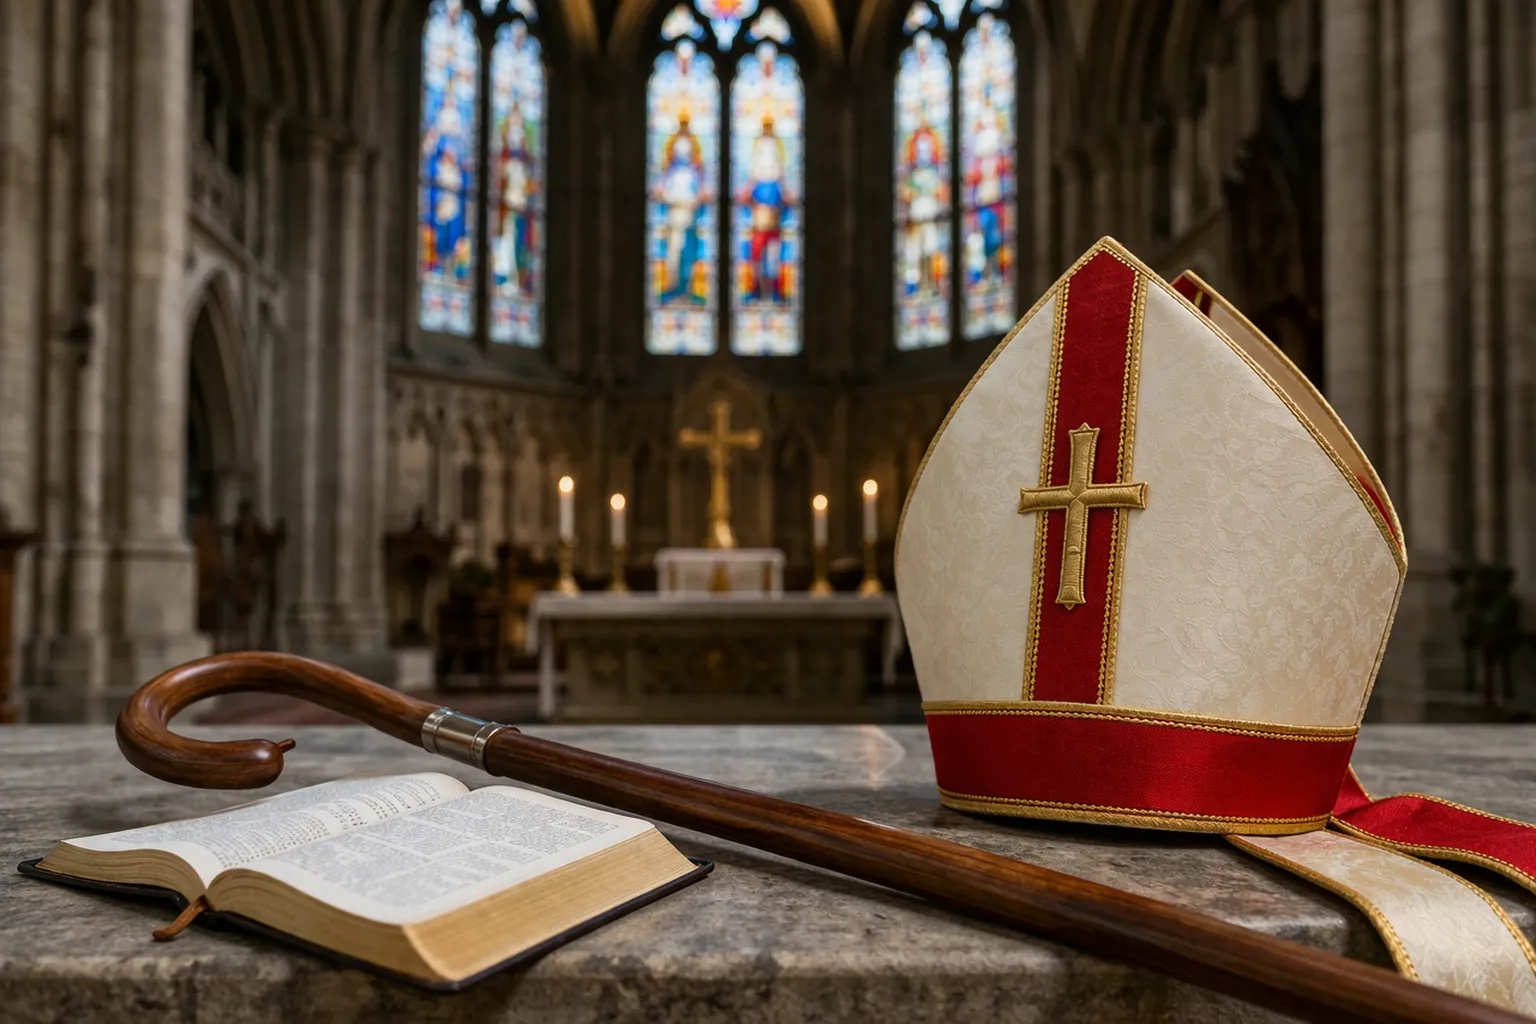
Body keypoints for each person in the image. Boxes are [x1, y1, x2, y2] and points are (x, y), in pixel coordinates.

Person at [655, 114, 709, 305]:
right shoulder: (670, 171)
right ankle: (673, 287)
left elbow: (703, 192)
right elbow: (659, 191)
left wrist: (695, 201)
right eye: (679, 147)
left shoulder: (695, 171)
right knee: (673, 252)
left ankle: (689, 288)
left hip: (690, 216)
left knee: (690, 252)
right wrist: (671, 199)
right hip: (673, 214)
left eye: (687, 148)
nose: (683, 152)